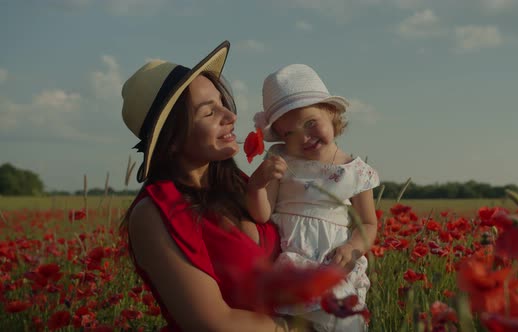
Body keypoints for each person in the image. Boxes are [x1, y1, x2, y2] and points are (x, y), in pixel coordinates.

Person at [120, 41, 308, 332]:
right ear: (171, 138)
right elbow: (212, 322)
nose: (230, 117)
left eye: (223, 104)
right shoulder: (155, 213)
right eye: (209, 113)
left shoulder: (242, 185)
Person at [247, 64, 380, 332]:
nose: (304, 138)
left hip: (332, 261)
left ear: (331, 113)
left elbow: (368, 223)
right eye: (289, 133)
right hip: (290, 261)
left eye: (310, 123)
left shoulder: (355, 171)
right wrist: (257, 184)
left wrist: (352, 248)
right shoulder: (280, 160)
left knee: (342, 322)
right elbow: (262, 213)